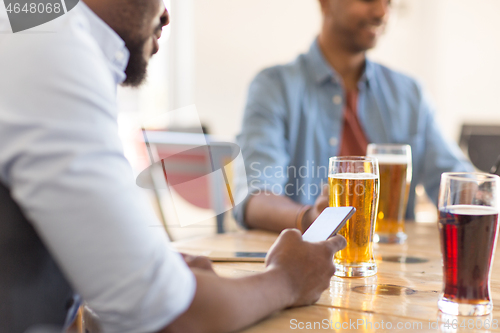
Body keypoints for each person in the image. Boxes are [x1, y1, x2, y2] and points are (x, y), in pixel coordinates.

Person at [0, 1, 346, 333]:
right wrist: (287, 279)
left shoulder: (29, 25)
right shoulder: (49, 48)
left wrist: (153, 265)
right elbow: (167, 317)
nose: (165, 14)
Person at [234, 0, 473, 233]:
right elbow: (255, 197)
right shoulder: (273, 87)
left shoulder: (410, 94)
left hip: (394, 266)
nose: (382, 12)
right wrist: (312, 220)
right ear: (325, 3)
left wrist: (484, 193)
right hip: (303, 264)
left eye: (389, 2)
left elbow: (453, 180)